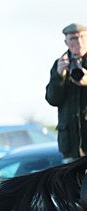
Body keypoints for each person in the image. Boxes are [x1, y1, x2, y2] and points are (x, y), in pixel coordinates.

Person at [45, 22, 87, 162]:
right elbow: (52, 99)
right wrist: (59, 76)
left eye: (82, 37)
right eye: (73, 38)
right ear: (66, 42)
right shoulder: (60, 64)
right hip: (71, 145)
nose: (79, 42)